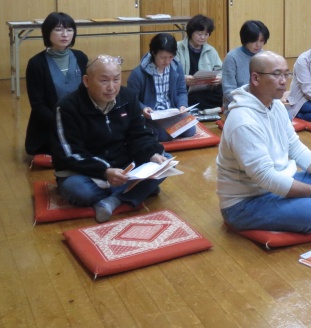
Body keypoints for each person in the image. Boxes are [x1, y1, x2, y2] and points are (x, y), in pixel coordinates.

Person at [217, 51, 311, 243]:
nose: (284, 81)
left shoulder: (277, 106)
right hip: (245, 203)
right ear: (255, 78)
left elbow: (295, 147)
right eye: (276, 74)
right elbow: (265, 177)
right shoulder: (243, 121)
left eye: (286, 74)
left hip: (276, 184)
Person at [52, 55, 168, 223]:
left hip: (122, 166)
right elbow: (69, 153)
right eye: (104, 80)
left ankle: (113, 201)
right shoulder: (67, 107)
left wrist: (151, 154)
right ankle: (138, 189)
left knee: (164, 160)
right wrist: (104, 171)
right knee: (77, 189)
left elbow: (139, 134)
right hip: (87, 172)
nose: (111, 87)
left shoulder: (128, 97)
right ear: (86, 81)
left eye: (116, 79)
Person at [24, 12, 88, 156]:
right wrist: (61, 122)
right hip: (50, 123)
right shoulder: (36, 63)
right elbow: (38, 105)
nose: (65, 34)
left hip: (80, 120)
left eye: (69, 30)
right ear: (47, 33)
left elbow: (88, 93)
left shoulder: (81, 57)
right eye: (58, 30)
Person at [127, 33, 194, 141]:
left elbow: (181, 91)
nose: (167, 61)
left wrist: (182, 105)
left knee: (190, 130)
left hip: (172, 112)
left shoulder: (176, 67)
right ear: (153, 53)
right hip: (152, 114)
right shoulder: (138, 73)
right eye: (163, 58)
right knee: (163, 135)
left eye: (171, 57)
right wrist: (143, 108)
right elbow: (131, 99)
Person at [176, 14, 223, 109]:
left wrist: (219, 78)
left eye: (206, 34)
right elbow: (171, 71)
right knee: (194, 98)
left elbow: (221, 70)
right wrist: (183, 79)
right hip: (185, 89)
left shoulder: (211, 50)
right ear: (191, 32)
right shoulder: (178, 48)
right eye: (200, 34)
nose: (203, 37)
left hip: (205, 90)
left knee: (222, 93)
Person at [221, 20, 269, 105]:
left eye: (262, 40)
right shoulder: (232, 58)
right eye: (254, 41)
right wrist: (249, 103)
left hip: (261, 103)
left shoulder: (265, 56)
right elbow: (229, 91)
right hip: (238, 105)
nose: (258, 45)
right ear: (245, 39)